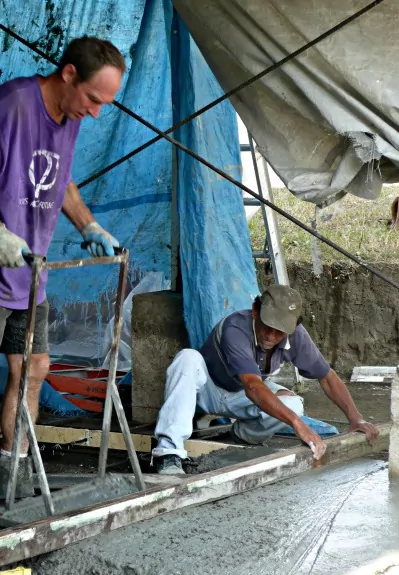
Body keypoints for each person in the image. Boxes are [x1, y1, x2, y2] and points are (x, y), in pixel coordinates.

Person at [0, 36, 126, 496]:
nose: (95, 113)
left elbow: (61, 177)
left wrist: (89, 224)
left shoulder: (69, 119)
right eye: (93, 99)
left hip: (29, 276)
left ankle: (11, 475)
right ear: (68, 74)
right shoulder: (12, 105)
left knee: (34, 368)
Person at [152, 284, 379, 475]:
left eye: (279, 331)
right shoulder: (235, 327)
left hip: (242, 396)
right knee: (187, 359)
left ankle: (244, 436)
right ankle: (168, 453)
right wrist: (297, 425)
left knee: (294, 405)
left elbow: (327, 376)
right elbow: (252, 385)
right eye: (267, 326)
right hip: (209, 391)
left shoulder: (296, 336)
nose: (271, 336)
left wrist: (356, 418)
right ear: (254, 311)